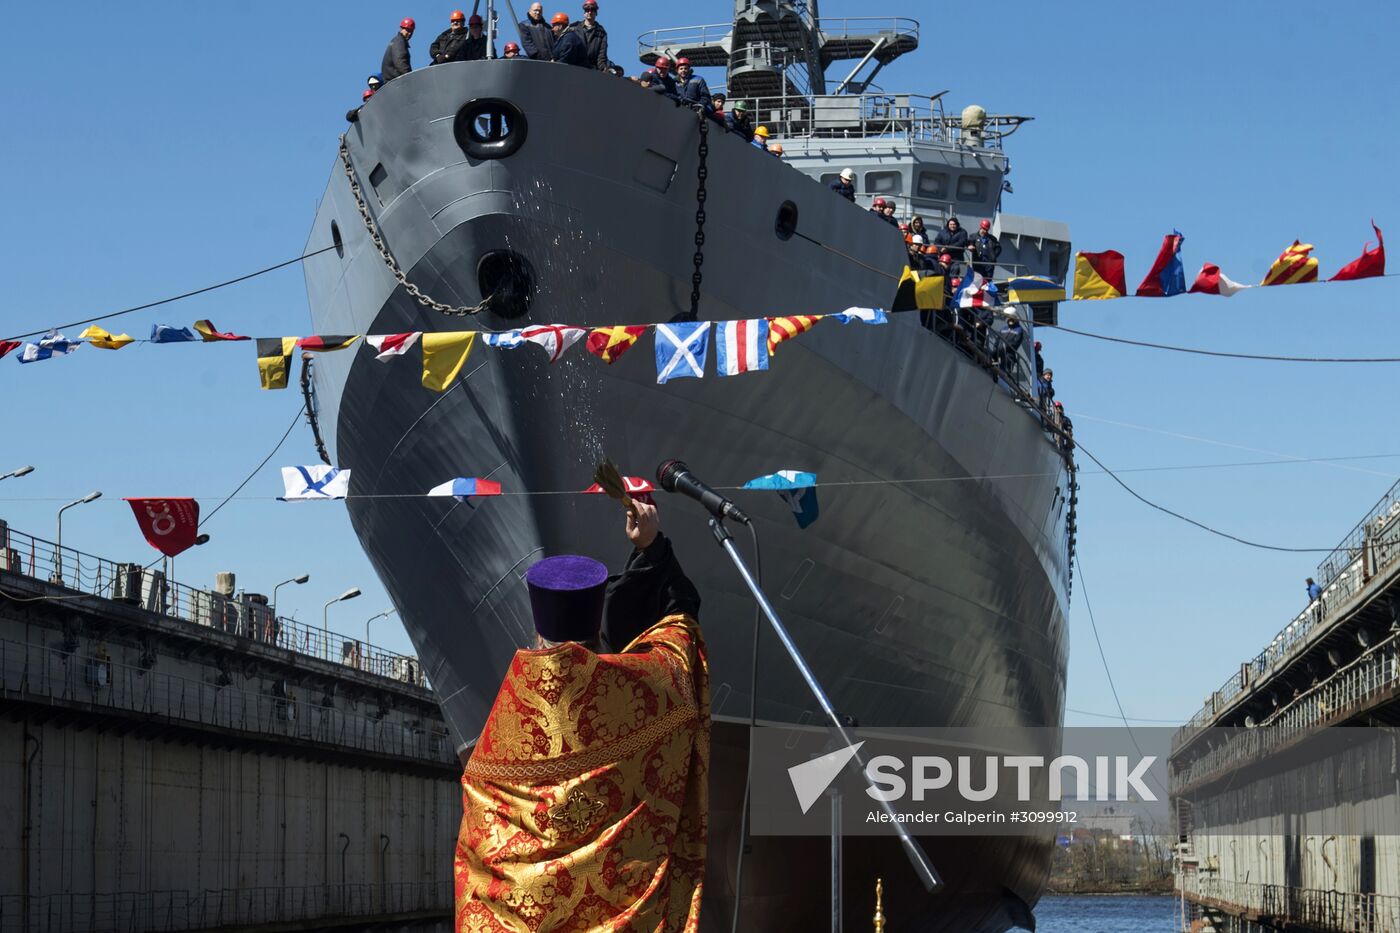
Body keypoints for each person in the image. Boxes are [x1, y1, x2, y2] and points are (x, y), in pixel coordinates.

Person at [455, 500, 707, 931]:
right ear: (597, 621)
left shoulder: (495, 745)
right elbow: (680, 628)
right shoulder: (647, 697)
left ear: (537, 629)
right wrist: (652, 550)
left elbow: (478, 867)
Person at [572, 0, 609, 70]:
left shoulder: (601, 33)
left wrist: (604, 69)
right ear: (584, 13)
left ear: (596, 13)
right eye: (587, 10)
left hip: (591, 70)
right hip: (574, 67)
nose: (590, 12)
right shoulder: (573, 28)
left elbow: (601, 56)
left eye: (593, 10)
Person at [382, 18, 415, 82]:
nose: (410, 33)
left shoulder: (396, 41)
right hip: (395, 82)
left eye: (411, 31)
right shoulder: (399, 42)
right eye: (407, 30)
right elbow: (400, 61)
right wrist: (410, 77)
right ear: (401, 29)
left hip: (392, 82)